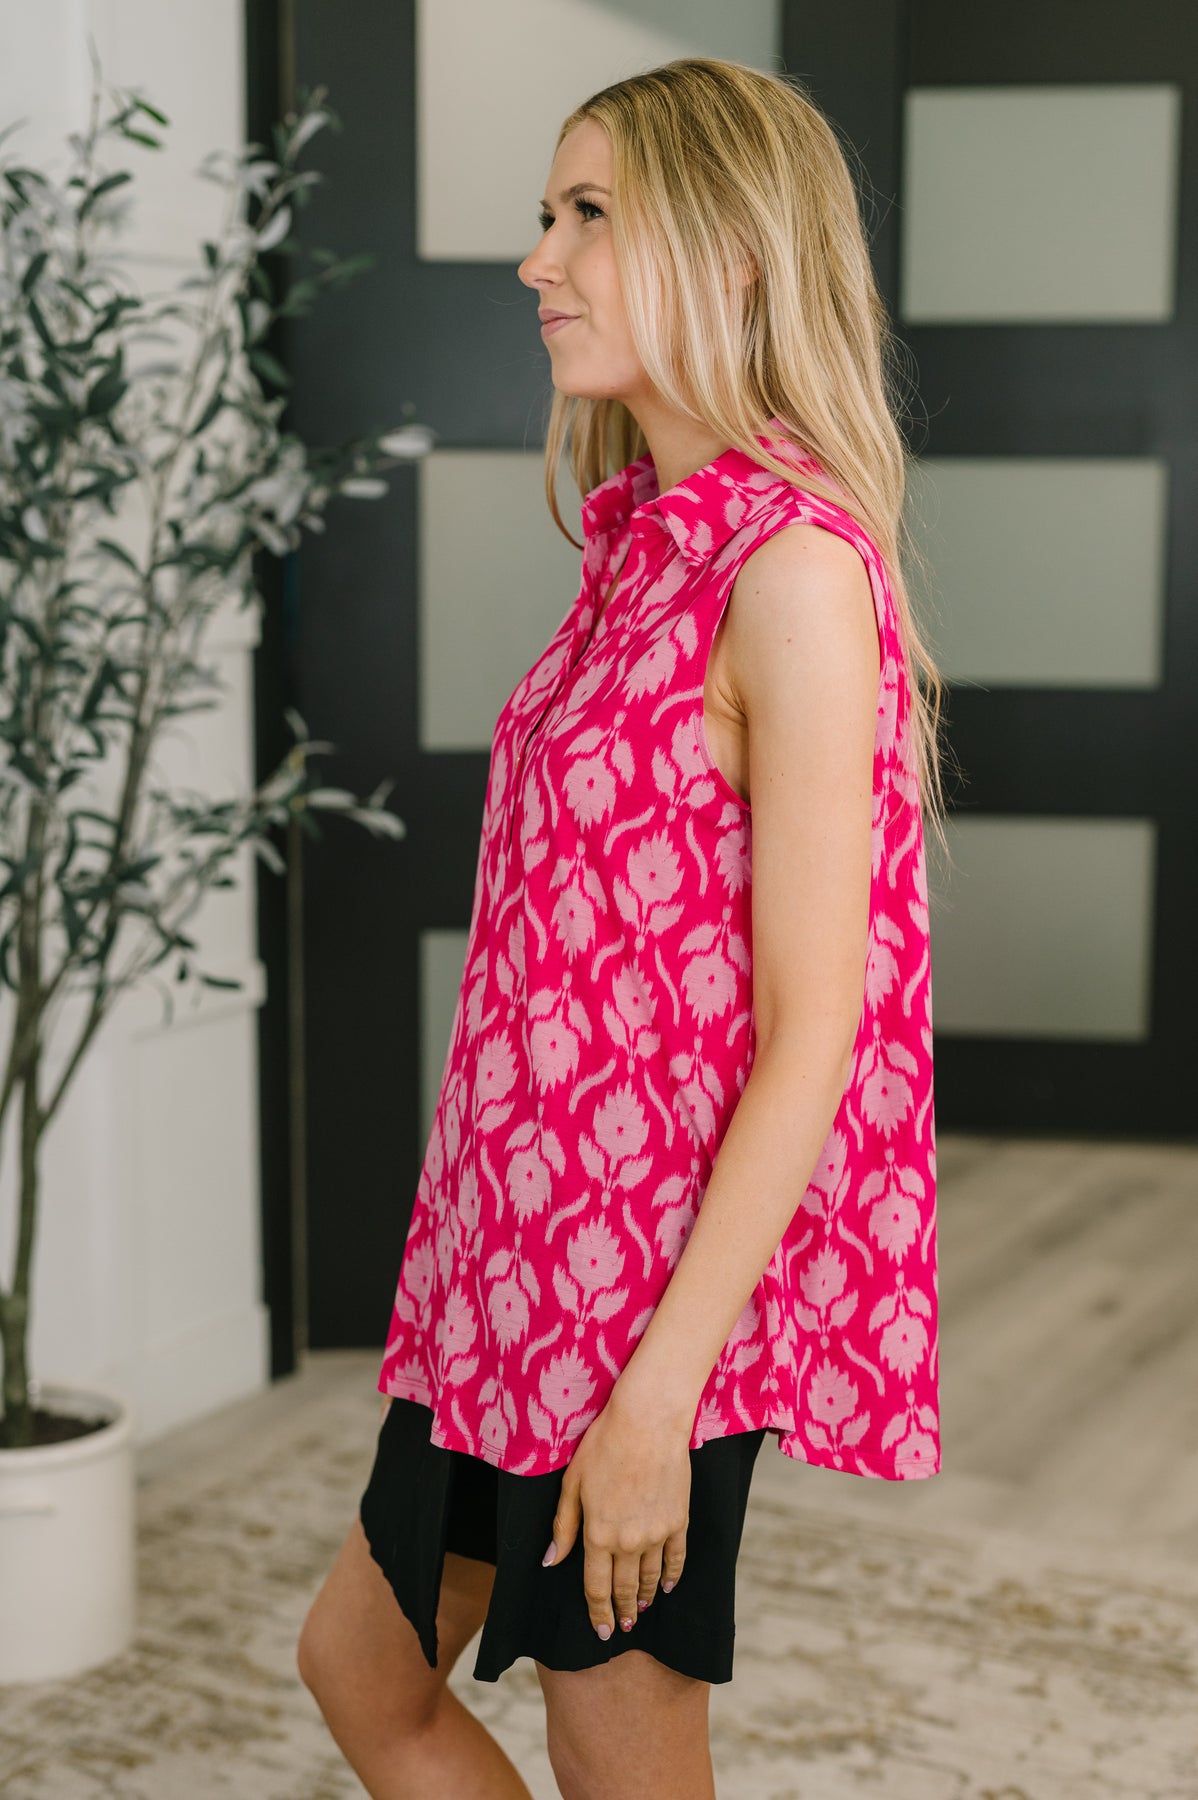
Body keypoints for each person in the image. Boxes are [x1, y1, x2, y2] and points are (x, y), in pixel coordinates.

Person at [298, 55, 947, 1800]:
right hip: (511, 1272)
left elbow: (815, 1024)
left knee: (617, 1759)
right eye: (546, 214)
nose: (539, 259)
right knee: (359, 1669)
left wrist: (657, 1400)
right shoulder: (643, 543)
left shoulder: (791, 570)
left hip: (645, 1307)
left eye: (589, 214)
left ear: (731, 255)